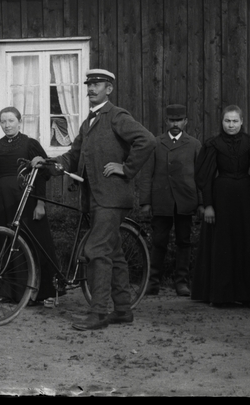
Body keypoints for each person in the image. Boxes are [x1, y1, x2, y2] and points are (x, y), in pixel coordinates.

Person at [43, 68, 155, 331]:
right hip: (95, 198)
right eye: (89, 84)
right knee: (113, 254)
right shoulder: (88, 122)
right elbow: (74, 154)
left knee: (96, 251)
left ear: (109, 89)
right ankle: (123, 310)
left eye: (98, 84)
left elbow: (147, 141)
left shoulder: (116, 116)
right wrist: (53, 163)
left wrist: (126, 168)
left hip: (111, 197)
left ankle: (98, 313)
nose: (92, 89)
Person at [192, 104, 250, 306]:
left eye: (234, 121)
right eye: (227, 121)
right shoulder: (213, 144)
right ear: (222, 122)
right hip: (221, 199)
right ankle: (222, 296)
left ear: (241, 122)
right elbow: (205, 177)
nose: (230, 125)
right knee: (222, 243)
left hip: (246, 200)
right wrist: (209, 206)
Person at [0, 106, 59, 306]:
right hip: (1, 203)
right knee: (4, 243)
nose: (7, 125)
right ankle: (6, 292)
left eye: (11, 121)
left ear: (19, 121)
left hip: (27, 200)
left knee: (31, 242)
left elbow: (41, 174)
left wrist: (40, 203)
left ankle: (38, 293)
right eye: (3, 122)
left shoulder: (30, 145)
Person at [138, 103, 202, 297]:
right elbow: (146, 173)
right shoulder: (156, 143)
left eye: (179, 120)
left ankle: (181, 282)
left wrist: (201, 203)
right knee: (158, 241)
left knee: (184, 241)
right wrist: (146, 202)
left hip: (185, 200)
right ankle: (153, 282)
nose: (175, 124)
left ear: (186, 122)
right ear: (166, 121)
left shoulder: (194, 144)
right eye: (172, 120)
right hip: (161, 200)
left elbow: (201, 176)